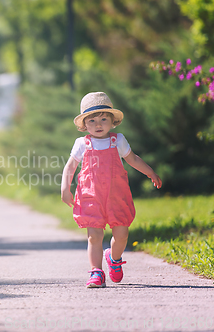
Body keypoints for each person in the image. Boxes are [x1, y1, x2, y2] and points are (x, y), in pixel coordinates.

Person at [61, 92, 162, 288]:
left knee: (122, 234)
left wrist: (150, 172)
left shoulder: (118, 141)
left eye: (103, 119)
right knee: (94, 236)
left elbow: (132, 159)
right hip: (91, 196)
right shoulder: (82, 144)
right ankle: (96, 272)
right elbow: (70, 166)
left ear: (112, 121)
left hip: (117, 196)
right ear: (85, 125)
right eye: (92, 120)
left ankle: (114, 258)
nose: (98, 124)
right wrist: (65, 187)